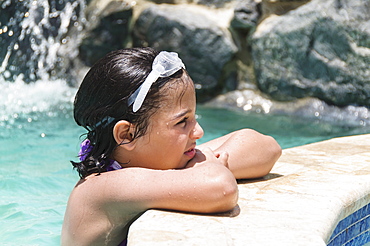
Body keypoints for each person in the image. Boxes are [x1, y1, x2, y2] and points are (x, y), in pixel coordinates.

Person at [61, 47, 281, 246]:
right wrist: (209, 165)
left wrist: (200, 165)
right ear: (127, 135)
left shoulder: (157, 159)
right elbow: (222, 189)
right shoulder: (100, 189)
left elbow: (266, 148)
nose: (198, 132)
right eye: (182, 122)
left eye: (194, 118)